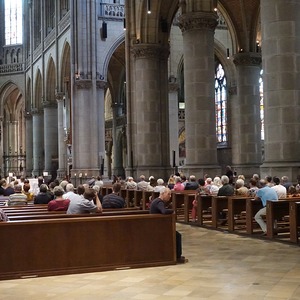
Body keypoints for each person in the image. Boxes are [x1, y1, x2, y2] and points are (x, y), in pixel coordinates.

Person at [150, 187, 188, 264]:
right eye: (168, 194)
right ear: (163, 194)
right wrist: (172, 211)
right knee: (177, 235)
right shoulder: (159, 202)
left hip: (156, 225)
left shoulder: (156, 201)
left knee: (177, 234)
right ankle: (177, 256)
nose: (170, 196)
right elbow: (163, 211)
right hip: (157, 227)